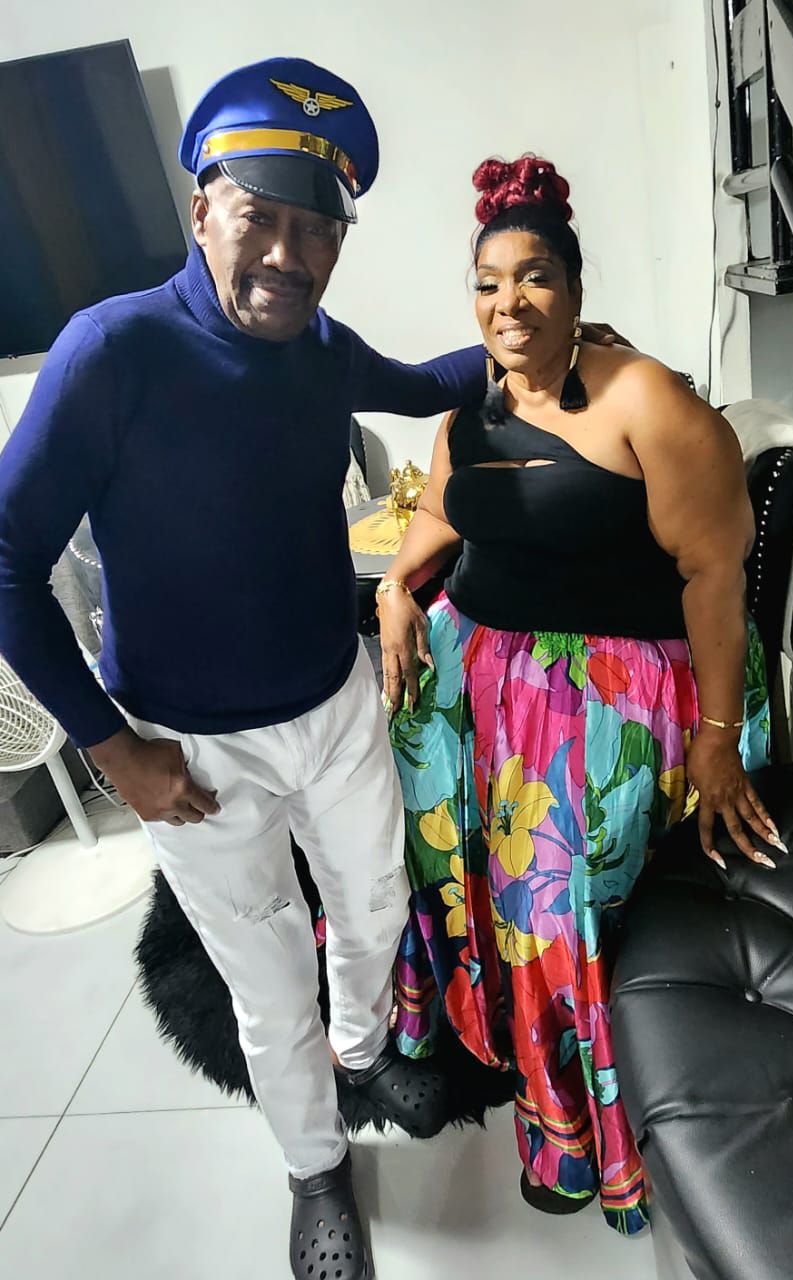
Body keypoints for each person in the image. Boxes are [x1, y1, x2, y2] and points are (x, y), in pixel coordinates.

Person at [1, 57, 489, 1280]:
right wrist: (110, 749)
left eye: (316, 228)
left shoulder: (318, 348)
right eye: (259, 215)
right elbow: (6, 557)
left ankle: (362, 1050)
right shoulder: (112, 350)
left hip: (335, 701)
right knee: (267, 972)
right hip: (193, 744)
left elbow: (425, 383)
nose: (286, 252)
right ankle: (315, 1165)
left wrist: (540, 329)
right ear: (201, 207)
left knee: (372, 905)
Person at [377, 155, 783, 1234]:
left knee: (563, 922)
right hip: (483, 692)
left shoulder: (643, 398)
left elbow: (712, 572)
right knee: (487, 898)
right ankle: (533, 1100)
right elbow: (444, 512)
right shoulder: (469, 410)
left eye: (533, 277)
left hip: (607, 706)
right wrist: (394, 585)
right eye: (486, 283)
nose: (507, 303)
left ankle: (606, 1138)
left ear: (573, 288)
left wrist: (714, 738)